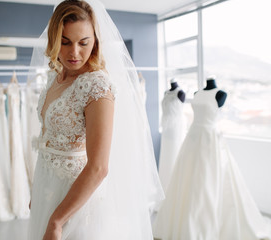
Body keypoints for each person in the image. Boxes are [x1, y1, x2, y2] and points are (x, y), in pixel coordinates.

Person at [28, 0, 164, 239]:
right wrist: (39, 193)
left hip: (77, 203)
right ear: (53, 39)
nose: (74, 52)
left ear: (95, 41)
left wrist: (58, 219)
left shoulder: (97, 86)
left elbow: (99, 167)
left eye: (83, 42)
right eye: (65, 41)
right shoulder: (54, 78)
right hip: (47, 189)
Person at [152, 77, 271, 240]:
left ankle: (204, 225)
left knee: (206, 182)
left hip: (209, 141)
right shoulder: (197, 92)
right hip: (192, 140)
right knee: (187, 180)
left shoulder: (220, 94)